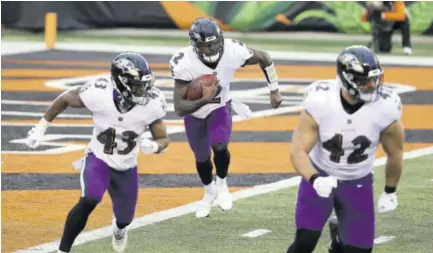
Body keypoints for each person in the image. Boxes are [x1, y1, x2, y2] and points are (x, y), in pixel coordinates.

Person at [26, 52, 169, 253]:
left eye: (144, 84)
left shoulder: (152, 102)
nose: (143, 90)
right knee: (90, 199)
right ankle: (62, 250)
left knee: (125, 219)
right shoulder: (98, 91)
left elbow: (163, 138)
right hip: (98, 158)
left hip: (126, 166)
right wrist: (41, 127)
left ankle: (119, 229)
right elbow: (65, 98)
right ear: (120, 82)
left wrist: (154, 146)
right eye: (137, 85)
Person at [286, 45, 404, 253]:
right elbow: (298, 150)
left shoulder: (386, 106)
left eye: (374, 79)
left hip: (358, 181)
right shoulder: (321, 100)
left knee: (359, 251)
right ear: (346, 79)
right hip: (321, 173)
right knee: (304, 242)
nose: (371, 85)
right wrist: (315, 179)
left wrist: (390, 191)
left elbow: (395, 152)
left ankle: (338, 242)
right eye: (364, 80)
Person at [170, 17, 283, 218]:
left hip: (220, 107)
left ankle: (222, 184)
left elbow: (264, 57)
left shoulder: (232, 50)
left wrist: (274, 90)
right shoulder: (184, 63)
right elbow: (179, 108)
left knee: (220, 147)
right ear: (196, 46)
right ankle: (209, 191)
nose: (212, 48)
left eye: (215, 42)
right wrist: (204, 99)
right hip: (194, 114)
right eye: (206, 45)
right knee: (202, 158)